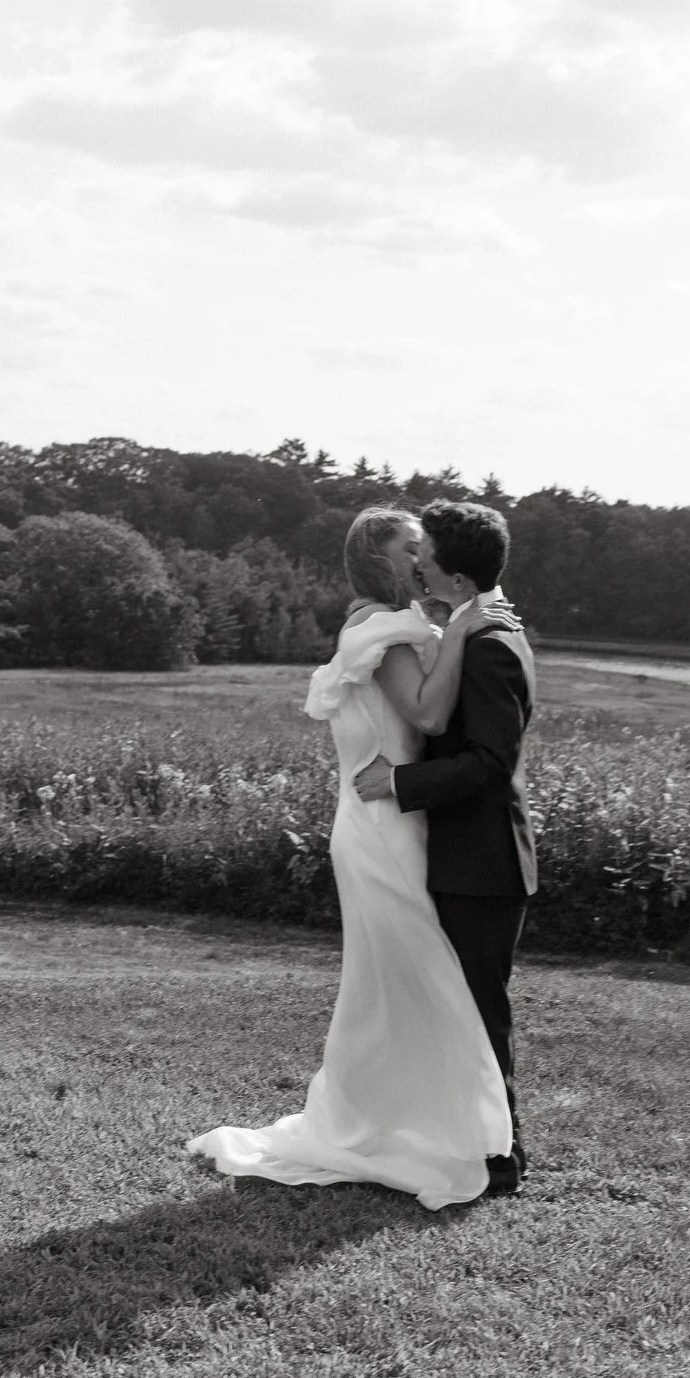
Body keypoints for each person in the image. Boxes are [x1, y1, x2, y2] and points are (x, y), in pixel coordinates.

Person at [184, 506, 518, 1209]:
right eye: (411, 549)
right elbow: (427, 718)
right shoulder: (383, 632)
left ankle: (438, 1122)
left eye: (426, 549)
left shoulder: (391, 626)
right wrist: (461, 624)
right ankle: (418, 1125)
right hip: (380, 827)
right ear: (384, 560)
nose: (421, 558)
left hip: (396, 819)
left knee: (407, 984)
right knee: (412, 981)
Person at [354, 499, 538, 1193]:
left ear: (456, 577)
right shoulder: (473, 624)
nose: (417, 561)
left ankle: (503, 1160)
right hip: (470, 858)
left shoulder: (489, 642)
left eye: (426, 553)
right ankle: (476, 1146)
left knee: (480, 1014)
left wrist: (399, 782)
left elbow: (489, 764)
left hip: (483, 862)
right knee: (462, 1010)